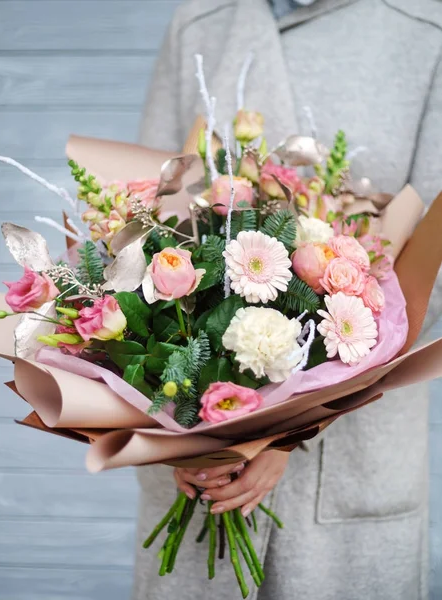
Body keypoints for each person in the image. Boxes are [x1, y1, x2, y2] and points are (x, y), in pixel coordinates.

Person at [134, 1, 442, 599]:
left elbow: (433, 258)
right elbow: (143, 222)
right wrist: (184, 430)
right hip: (197, 461)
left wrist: (287, 431)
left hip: (347, 461)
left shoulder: (425, 26)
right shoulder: (201, 21)